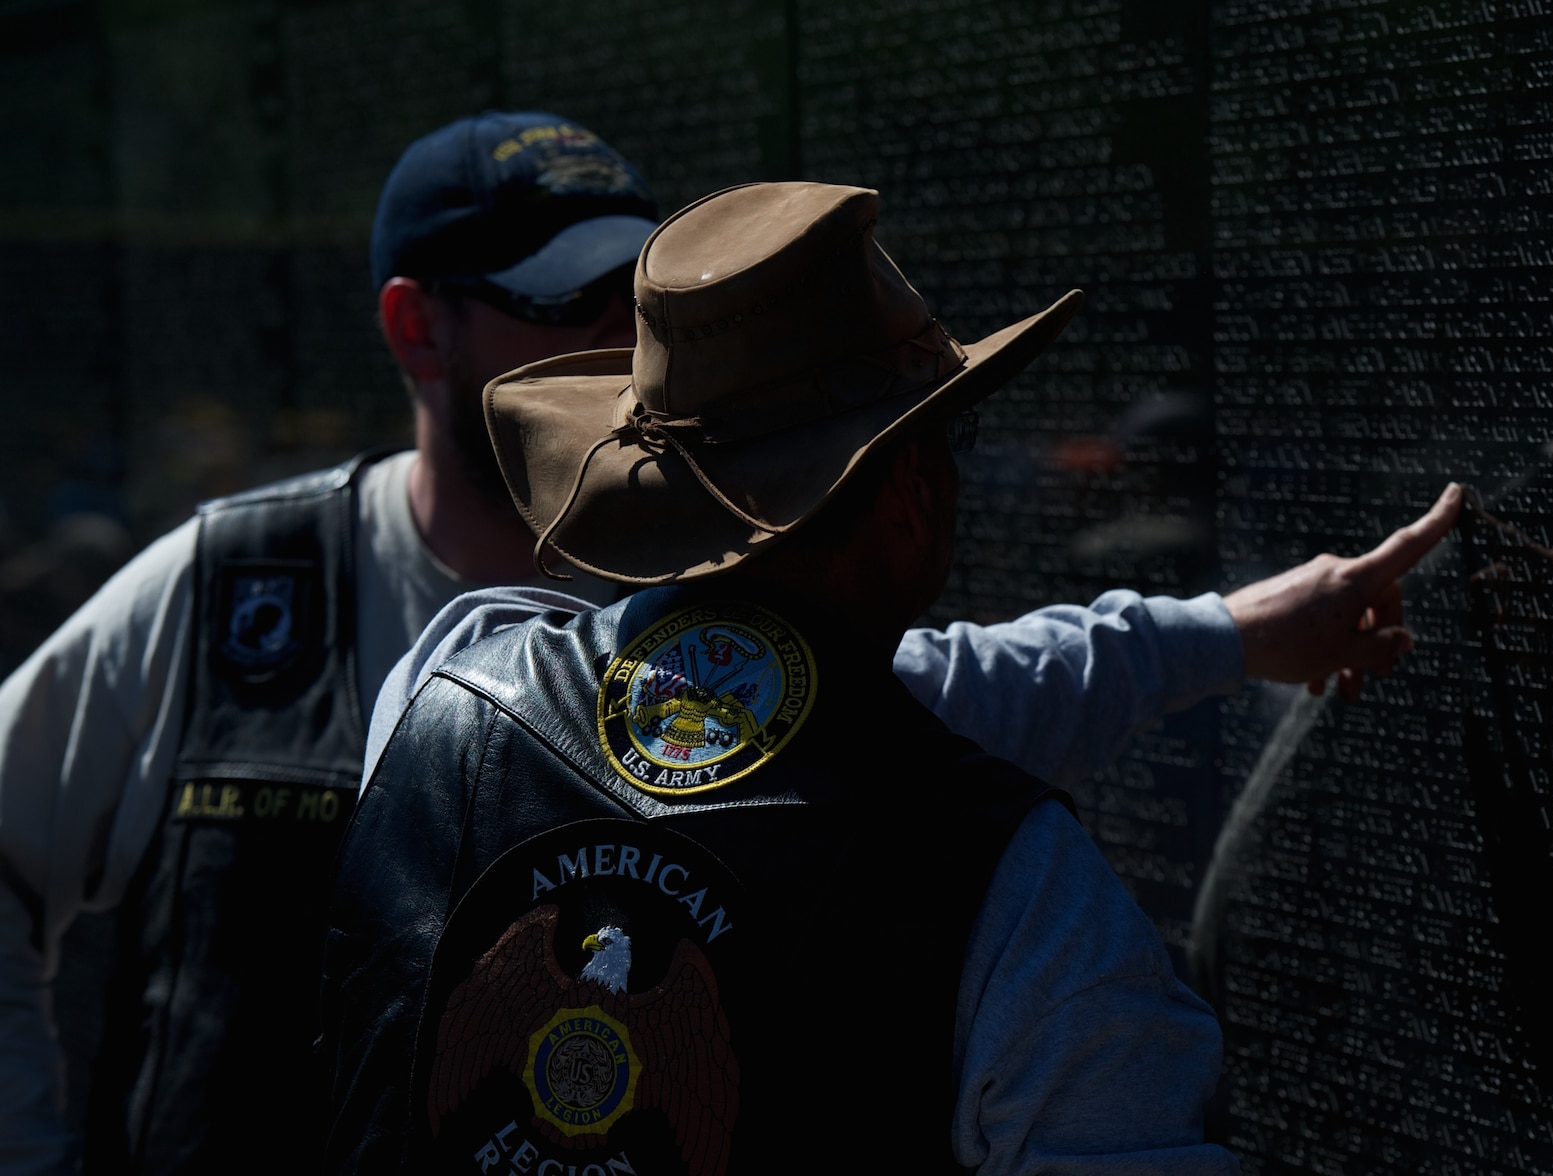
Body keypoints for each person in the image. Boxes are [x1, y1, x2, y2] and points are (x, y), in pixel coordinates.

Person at [0, 109, 1451, 1174]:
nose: (599, 329)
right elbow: (869, 748)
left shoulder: (441, 688)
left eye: (620, 309)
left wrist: (1219, 630)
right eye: (556, 302)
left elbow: (837, 718)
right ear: (909, 500)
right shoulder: (1018, 896)